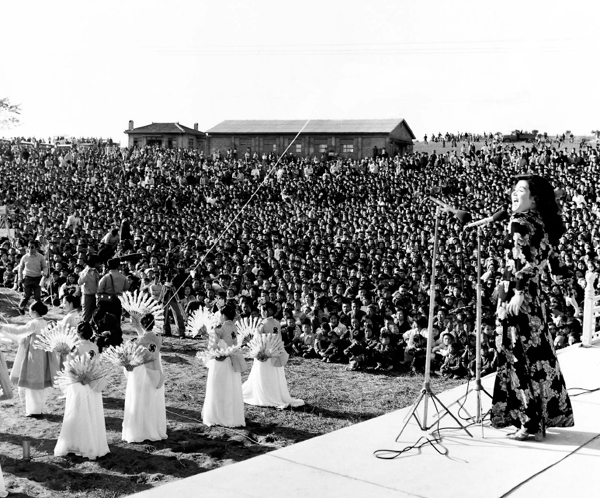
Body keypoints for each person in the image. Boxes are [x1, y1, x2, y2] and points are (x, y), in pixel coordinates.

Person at [491, 175, 575, 441]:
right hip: (533, 298)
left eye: (521, 190)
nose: (514, 194)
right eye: (513, 189)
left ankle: (528, 422)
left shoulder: (518, 222)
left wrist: (517, 291)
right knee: (537, 356)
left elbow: (527, 262)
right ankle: (539, 420)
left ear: (535, 198)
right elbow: (547, 259)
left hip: (518, 298)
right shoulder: (540, 221)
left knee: (517, 357)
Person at [54, 322, 109, 460]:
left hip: (79, 384)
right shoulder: (94, 346)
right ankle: (92, 444)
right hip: (92, 383)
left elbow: (69, 368)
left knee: (77, 414)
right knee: (91, 413)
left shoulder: (75, 348)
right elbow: (96, 364)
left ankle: (77, 444)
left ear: (77, 334)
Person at [0, 302, 58, 416]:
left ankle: (34, 410)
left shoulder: (34, 323)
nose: (29, 312)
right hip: (42, 355)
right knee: (38, 383)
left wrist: (3, 326)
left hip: (34, 355)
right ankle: (39, 408)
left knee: (32, 382)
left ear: (34, 312)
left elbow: (20, 331)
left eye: (30, 310)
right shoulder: (44, 322)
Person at [242, 302, 304, 409]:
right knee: (273, 374)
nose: (261, 312)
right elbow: (276, 337)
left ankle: (265, 395)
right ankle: (274, 394)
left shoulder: (262, 324)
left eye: (262, 310)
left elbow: (258, 340)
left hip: (263, 352)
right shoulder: (276, 322)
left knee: (264, 374)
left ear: (266, 311)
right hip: (274, 352)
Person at [122, 313, 167, 443]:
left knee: (139, 400)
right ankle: (154, 428)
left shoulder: (136, 342)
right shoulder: (158, 338)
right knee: (152, 400)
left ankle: (140, 430)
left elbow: (131, 357)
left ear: (142, 324)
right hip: (155, 371)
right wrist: (138, 326)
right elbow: (147, 337)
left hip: (141, 373)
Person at [202, 304, 246, 427]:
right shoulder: (235, 327)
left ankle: (218, 416)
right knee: (231, 388)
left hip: (220, 360)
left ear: (222, 315)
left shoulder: (218, 328)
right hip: (232, 360)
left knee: (218, 388)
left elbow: (211, 346)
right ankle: (232, 416)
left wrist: (207, 336)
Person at [15, 241, 48, 314]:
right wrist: (20, 278)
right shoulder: (25, 257)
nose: (30, 249)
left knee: (37, 297)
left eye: (32, 247)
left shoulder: (40, 257)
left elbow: (45, 267)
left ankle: (36, 312)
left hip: (37, 279)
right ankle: (21, 308)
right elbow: (20, 268)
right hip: (27, 278)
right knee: (26, 296)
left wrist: (45, 273)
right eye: (29, 247)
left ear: (36, 248)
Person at [78, 255, 101, 322]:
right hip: (87, 295)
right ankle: (83, 328)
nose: (99, 264)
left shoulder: (95, 270)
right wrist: (85, 275)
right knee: (86, 314)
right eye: (98, 263)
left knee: (93, 314)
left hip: (94, 295)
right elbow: (80, 282)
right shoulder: (86, 271)